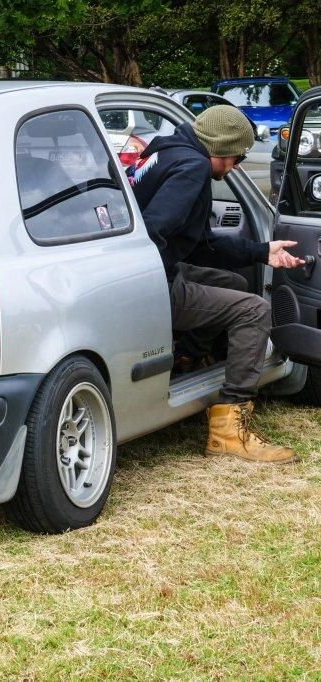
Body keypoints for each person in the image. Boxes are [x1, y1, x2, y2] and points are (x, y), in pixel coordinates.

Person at [130, 103, 302, 463]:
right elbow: (153, 229)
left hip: (144, 272)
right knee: (254, 309)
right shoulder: (193, 169)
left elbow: (200, 244)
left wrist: (261, 251)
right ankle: (229, 428)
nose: (237, 165)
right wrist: (155, 284)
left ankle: (189, 358)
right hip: (147, 282)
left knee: (234, 283)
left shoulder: (166, 151)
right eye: (238, 157)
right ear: (221, 148)